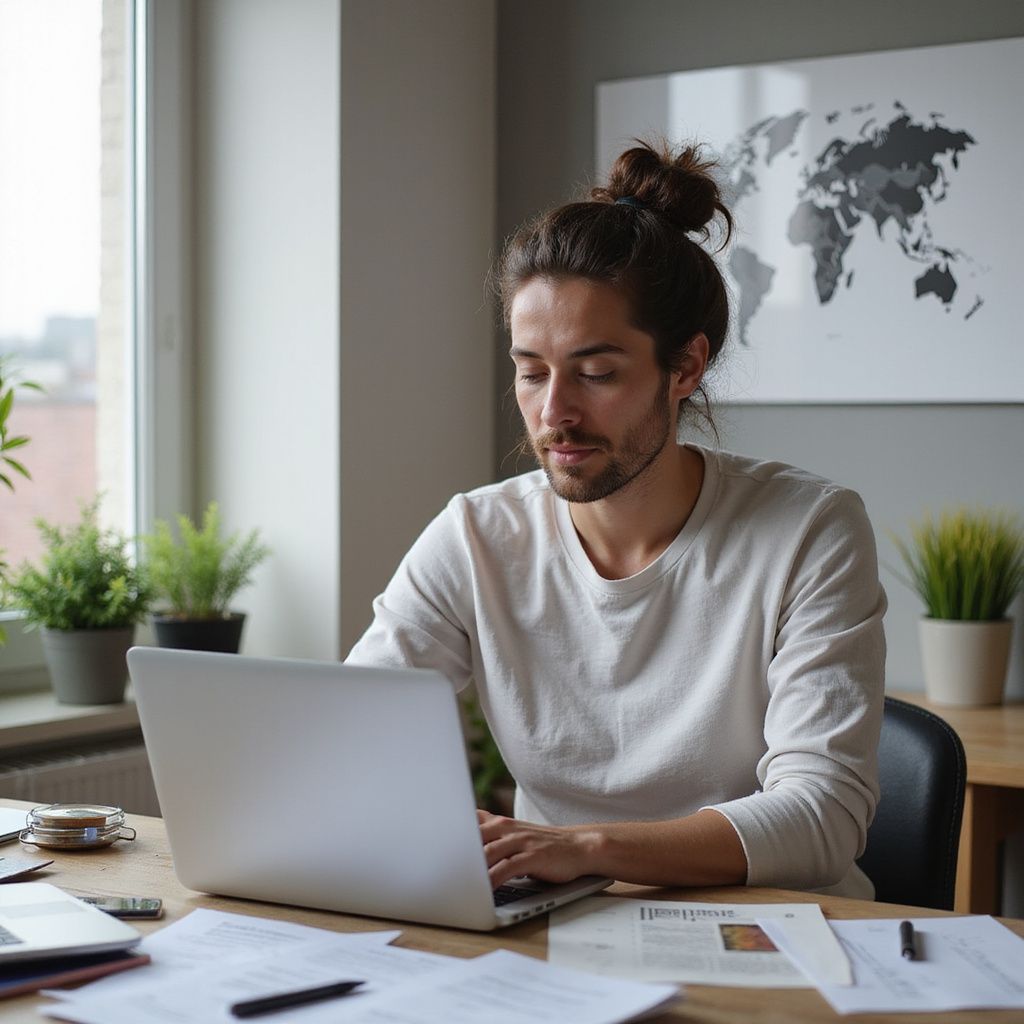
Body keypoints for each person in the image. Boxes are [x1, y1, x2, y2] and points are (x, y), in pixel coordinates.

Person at [346, 141, 886, 900]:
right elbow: (348, 740)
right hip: (556, 924)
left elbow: (821, 815)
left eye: (596, 373)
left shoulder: (807, 531)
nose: (554, 412)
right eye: (531, 371)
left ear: (686, 368)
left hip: (776, 931)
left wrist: (583, 847)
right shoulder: (477, 536)